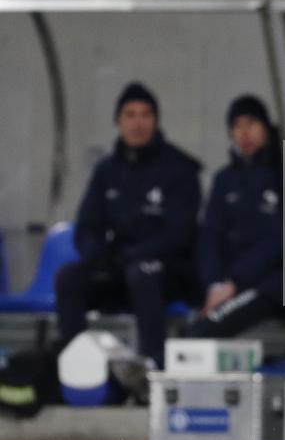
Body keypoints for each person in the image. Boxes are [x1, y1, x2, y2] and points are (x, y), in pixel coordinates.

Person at [55, 82, 201, 368]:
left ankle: (151, 366)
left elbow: (179, 233)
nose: (138, 123)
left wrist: (133, 255)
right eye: (130, 115)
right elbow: (87, 225)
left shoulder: (180, 168)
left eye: (145, 115)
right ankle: (73, 365)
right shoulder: (107, 170)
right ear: (118, 121)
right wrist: (97, 256)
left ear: (156, 120)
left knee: (141, 274)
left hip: (167, 270)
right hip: (118, 266)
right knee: (69, 277)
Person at [186, 95, 285, 338]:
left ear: (266, 127)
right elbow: (210, 236)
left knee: (202, 333)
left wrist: (234, 282)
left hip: (270, 284)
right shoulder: (224, 180)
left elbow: (280, 238)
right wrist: (215, 283)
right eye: (237, 126)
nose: (245, 132)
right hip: (227, 284)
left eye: (251, 123)